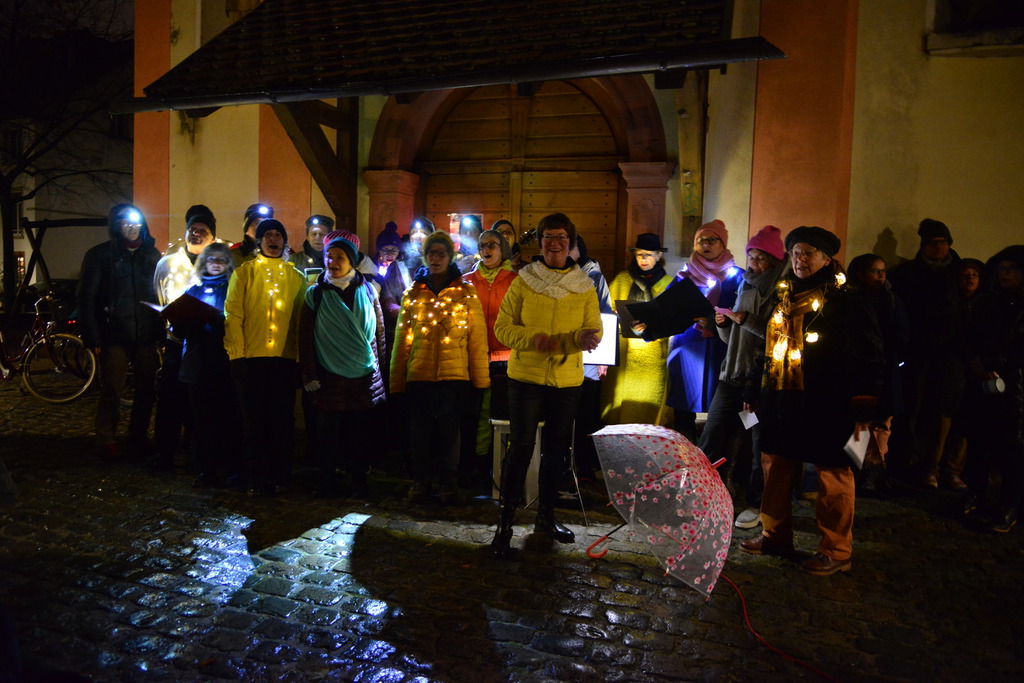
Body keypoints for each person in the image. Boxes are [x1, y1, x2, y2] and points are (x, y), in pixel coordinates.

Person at [740, 226, 886, 575]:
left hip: (827, 400)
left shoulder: (847, 300)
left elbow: (868, 352)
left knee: (833, 473)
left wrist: (863, 402)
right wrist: (753, 388)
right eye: (795, 253)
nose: (800, 260)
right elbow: (766, 349)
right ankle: (775, 535)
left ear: (826, 258)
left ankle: (836, 550)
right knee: (775, 466)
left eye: (808, 253)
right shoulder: (783, 295)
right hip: (781, 397)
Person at [491, 213, 602, 559]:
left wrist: (585, 338)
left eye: (561, 238)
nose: (555, 244)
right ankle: (505, 524)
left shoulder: (584, 284)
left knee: (556, 451)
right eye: (549, 237)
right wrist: (532, 338)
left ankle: (546, 518)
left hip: (566, 379)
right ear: (540, 243)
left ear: (571, 243)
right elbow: (502, 327)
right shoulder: (524, 281)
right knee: (521, 447)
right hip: (526, 377)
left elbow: (594, 327)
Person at [390, 231, 490, 504]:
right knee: (419, 434)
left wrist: (480, 382)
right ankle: (421, 482)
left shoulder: (466, 293)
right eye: (431, 253)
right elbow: (402, 341)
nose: (435, 258)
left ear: (450, 256)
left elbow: (477, 340)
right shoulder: (413, 293)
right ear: (424, 256)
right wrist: (397, 381)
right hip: (420, 376)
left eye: (441, 253)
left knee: (450, 435)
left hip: (454, 377)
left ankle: (448, 484)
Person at [699, 225, 789, 529]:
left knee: (756, 442)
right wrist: (723, 324)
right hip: (732, 374)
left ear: (773, 261)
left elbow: (776, 336)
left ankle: (757, 502)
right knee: (713, 432)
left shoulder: (780, 290)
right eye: (751, 257)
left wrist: (745, 320)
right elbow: (731, 340)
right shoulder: (745, 285)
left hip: (759, 379)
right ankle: (703, 491)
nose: (753, 263)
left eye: (760, 258)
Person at [299, 236, 387, 498]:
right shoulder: (315, 294)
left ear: (351, 262)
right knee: (328, 433)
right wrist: (309, 374)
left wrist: (381, 371)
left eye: (340, 257)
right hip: (329, 375)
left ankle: (359, 480)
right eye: (329, 256)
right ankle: (328, 481)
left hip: (364, 376)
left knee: (360, 433)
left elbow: (378, 334)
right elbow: (305, 338)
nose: (332, 261)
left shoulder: (368, 291)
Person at [224, 218, 306, 496]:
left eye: (278, 235)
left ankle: (281, 475)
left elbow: (299, 321)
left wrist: (298, 359)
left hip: (284, 360)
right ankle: (257, 477)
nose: (273, 239)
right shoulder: (244, 273)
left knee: (281, 421)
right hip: (251, 359)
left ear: (284, 241)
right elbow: (233, 315)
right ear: (259, 241)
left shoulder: (296, 278)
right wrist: (237, 356)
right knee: (254, 422)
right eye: (267, 235)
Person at [77, 204, 164, 459]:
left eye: (136, 222)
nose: (132, 227)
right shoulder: (100, 255)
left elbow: (160, 293)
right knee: (112, 388)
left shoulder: (151, 255)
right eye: (126, 223)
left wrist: (161, 331)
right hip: (114, 333)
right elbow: (86, 298)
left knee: (146, 389)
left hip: (145, 334)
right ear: (117, 226)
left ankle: (138, 436)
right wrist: (93, 336)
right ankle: (106, 436)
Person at [886, 218, 960, 479]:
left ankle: (935, 465)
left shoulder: (962, 273)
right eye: (933, 242)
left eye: (943, 242)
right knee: (910, 406)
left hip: (950, 352)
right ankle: (905, 459)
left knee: (942, 408)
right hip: (915, 349)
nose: (939, 247)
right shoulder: (905, 274)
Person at [151, 206, 218, 470]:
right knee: (170, 399)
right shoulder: (168, 264)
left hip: (205, 345)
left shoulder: (218, 264)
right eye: (192, 229)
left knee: (201, 402)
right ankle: (163, 453)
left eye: (203, 230)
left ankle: (197, 453)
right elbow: (159, 294)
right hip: (176, 343)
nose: (196, 233)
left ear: (212, 237)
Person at [963, 246, 1024, 533]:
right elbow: (971, 334)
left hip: (1015, 386)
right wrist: (976, 360)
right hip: (984, 382)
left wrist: (997, 362)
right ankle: (975, 493)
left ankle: (1010, 504)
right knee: (979, 440)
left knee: (1012, 447)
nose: (1005, 274)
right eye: (1001, 269)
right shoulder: (988, 302)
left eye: (1011, 269)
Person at [665, 220, 743, 440]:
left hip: (722, 349)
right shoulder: (684, 276)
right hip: (688, 348)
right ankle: (684, 449)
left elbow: (744, 312)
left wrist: (717, 322)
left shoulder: (738, 276)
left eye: (712, 239)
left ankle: (718, 452)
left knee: (722, 404)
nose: (706, 244)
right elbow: (667, 308)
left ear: (723, 243)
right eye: (701, 240)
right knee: (684, 401)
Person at [176, 242, 241, 487]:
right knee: (202, 422)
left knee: (229, 419)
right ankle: (206, 470)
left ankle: (233, 468)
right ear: (204, 262)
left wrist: (217, 322)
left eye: (221, 259)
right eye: (211, 259)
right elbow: (180, 329)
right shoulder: (192, 290)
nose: (216, 263)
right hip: (197, 365)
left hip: (224, 364)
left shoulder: (233, 290)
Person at [845, 253, 910, 496]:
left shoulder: (891, 300)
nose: (881, 276)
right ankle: (858, 468)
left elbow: (902, 333)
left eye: (883, 271)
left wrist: (895, 355)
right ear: (861, 274)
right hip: (858, 369)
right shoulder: (851, 299)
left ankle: (876, 467)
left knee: (883, 421)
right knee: (860, 422)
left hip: (886, 368)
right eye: (875, 271)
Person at [460, 229, 518, 487]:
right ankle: (474, 466)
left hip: (504, 360)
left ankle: (499, 467)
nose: (486, 249)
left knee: (499, 414)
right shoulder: (466, 281)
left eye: (492, 245)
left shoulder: (515, 281)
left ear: (502, 248)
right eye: (482, 245)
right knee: (473, 415)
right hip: (472, 358)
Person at [603, 233, 674, 426]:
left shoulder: (668, 284)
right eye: (639, 254)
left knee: (648, 410)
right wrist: (616, 314)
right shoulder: (622, 280)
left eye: (648, 254)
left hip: (654, 356)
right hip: (624, 354)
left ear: (659, 255)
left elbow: (673, 320)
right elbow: (607, 311)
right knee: (620, 406)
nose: (643, 258)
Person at [570, 235, 613, 480]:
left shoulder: (594, 276)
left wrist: (603, 357)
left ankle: (584, 465)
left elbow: (606, 314)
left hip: (590, 354)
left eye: (571, 246)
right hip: (562, 355)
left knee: (586, 412)